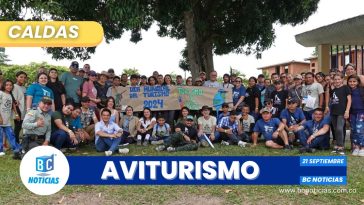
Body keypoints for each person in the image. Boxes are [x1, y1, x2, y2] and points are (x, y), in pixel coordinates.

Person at [328, 73, 351, 155]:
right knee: (335, 130)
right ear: (333, 80)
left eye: (339, 79)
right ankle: (337, 146)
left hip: (342, 112)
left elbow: (349, 100)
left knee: (339, 129)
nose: (337, 81)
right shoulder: (333, 90)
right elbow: (331, 101)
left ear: (342, 80)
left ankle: (341, 147)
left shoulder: (345, 88)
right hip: (333, 112)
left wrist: (347, 111)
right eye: (335, 79)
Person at [0, 80, 22, 159]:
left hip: (7, 120)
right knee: (0, 136)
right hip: (1, 119)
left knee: (11, 135)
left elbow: (13, 106)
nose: (9, 86)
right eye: (7, 85)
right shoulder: (1, 93)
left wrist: (16, 114)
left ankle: (16, 148)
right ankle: (1, 150)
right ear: (4, 86)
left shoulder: (10, 95)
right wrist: (0, 117)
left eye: (10, 85)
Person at [347, 75, 364, 156]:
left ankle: (362, 148)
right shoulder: (348, 91)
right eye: (350, 81)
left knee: (359, 130)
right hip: (352, 114)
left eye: (354, 81)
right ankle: (356, 147)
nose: (352, 83)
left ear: (358, 82)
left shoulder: (361, 90)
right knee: (353, 130)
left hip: (361, 113)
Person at [12, 71, 27, 143]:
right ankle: (16, 144)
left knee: (21, 127)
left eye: (24, 77)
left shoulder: (24, 87)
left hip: (23, 111)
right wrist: (16, 113)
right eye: (21, 77)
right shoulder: (14, 87)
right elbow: (13, 101)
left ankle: (19, 142)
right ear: (16, 77)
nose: (23, 79)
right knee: (17, 128)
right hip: (18, 111)